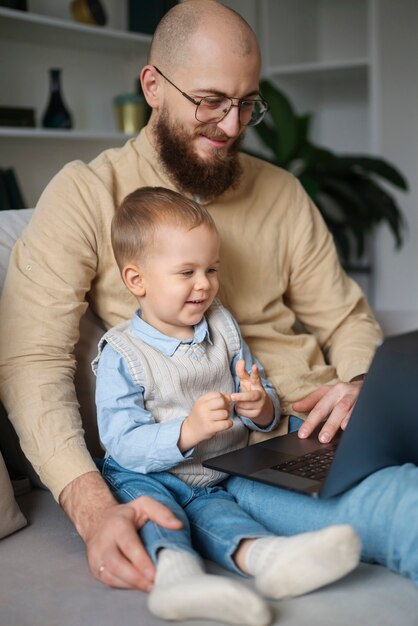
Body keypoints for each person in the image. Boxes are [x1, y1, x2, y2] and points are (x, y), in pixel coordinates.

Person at [0, 0, 418, 593]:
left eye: (248, 103)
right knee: (407, 508)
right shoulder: (87, 194)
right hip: (223, 457)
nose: (231, 125)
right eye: (210, 101)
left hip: (320, 427)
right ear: (153, 86)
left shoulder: (282, 192)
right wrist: (92, 508)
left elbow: (347, 319)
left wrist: (357, 390)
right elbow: (31, 360)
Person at [92, 186, 360, 624]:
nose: (205, 285)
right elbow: (120, 442)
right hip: (144, 475)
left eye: (211, 269)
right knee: (157, 515)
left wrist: (261, 408)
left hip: (213, 474)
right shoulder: (122, 354)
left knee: (219, 515)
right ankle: (176, 580)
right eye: (187, 272)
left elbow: (262, 391)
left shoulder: (222, 324)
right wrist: (187, 431)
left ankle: (269, 559)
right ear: (137, 280)